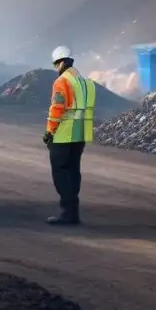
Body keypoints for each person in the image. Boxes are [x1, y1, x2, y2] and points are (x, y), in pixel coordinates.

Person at [42, 45, 96, 225]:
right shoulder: (86, 82)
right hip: (81, 134)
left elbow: (57, 108)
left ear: (62, 62)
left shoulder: (62, 82)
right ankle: (73, 212)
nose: (56, 68)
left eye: (56, 64)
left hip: (64, 135)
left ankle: (68, 213)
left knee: (61, 172)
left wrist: (50, 131)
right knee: (73, 172)